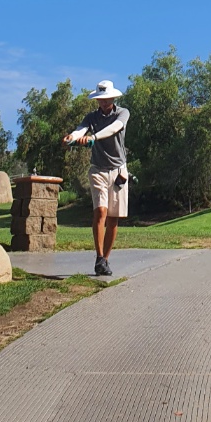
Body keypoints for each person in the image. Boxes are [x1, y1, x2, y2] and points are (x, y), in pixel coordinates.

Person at [64, 80, 130, 276]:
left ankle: (105, 260)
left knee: (113, 218)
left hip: (118, 171)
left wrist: (93, 138)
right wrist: (72, 138)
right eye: (100, 99)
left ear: (113, 98)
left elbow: (114, 128)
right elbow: (80, 129)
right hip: (98, 170)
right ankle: (99, 257)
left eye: (106, 99)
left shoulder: (122, 113)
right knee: (100, 212)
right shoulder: (91, 117)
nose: (103, 102)